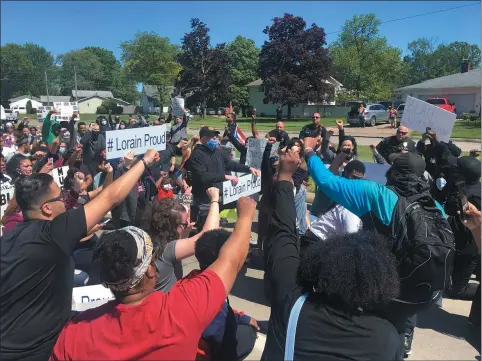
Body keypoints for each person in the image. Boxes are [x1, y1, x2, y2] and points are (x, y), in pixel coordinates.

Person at [50, 197, 257, 360]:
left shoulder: (74, 333)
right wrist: (246, 216)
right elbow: (231, 261)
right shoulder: (182, 308)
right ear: (150, 271)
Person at [303, 137, 455, 359]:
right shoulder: (434, 206)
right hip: (423, 294)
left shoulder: (376, 194)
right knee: (397, 326)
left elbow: (326, 181)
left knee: (373, 334)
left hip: (387, 289)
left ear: (396, 174)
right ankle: (400, 347)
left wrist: (309, 151)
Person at [0, 149, 159, 361]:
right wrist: (144, 161)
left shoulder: (7, 240)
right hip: (38, 352)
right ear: (47, 209)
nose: (65, 201)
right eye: (61, 197)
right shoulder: (53, 233)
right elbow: (111, 197)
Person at [262, 148, 401, 360]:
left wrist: (284, 177)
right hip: (315, 240)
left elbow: (283, 237)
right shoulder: (387, 338)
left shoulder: (291, 305)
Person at [185, 228, 259, 361]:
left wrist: (242, 318)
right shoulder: (217, 311)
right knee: (247, 334)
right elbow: (227, 347)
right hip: (201, 355)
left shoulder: (190, 278)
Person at [144, 188, 220, 292]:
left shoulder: (154, 239)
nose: (188, 224)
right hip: (166, 305)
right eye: (184, 224)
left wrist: (186, 201)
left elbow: (180, 235)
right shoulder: (168, 249)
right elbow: (209, 234)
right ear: (175, 226)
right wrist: (214, 200)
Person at [189, 126, 259, 228]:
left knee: (216, 224)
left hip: (221, 196)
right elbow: (202, 176)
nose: (216, 140)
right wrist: (225, 176)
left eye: (216, 137)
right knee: (206, 229)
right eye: (212, 138)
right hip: (204, 199)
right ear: (203, 139)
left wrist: (249, 169)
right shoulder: (197, 155)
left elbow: (231, 164)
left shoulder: (217, 152)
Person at [302, 160, 365, 249]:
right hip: (315, 238)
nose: (355, 182)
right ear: (346, 174)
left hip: (324, 235)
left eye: (359, 179)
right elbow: (351, 241)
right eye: (354, 178)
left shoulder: (353, 198)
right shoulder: (350, 207)